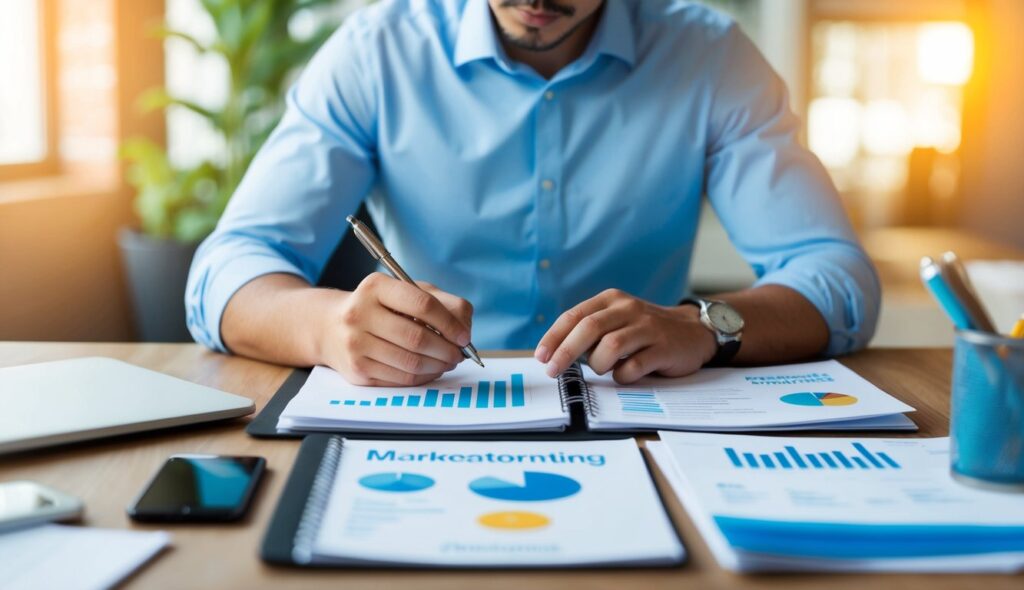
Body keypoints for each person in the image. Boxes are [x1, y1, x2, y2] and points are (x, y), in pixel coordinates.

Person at [185, 0, 880, 387]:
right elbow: (228, 269)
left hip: (642, 419)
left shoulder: (711, 56)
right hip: (429, 413)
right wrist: (327, 328)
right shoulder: (376, 51)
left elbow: (837, 279)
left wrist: (704, 326)